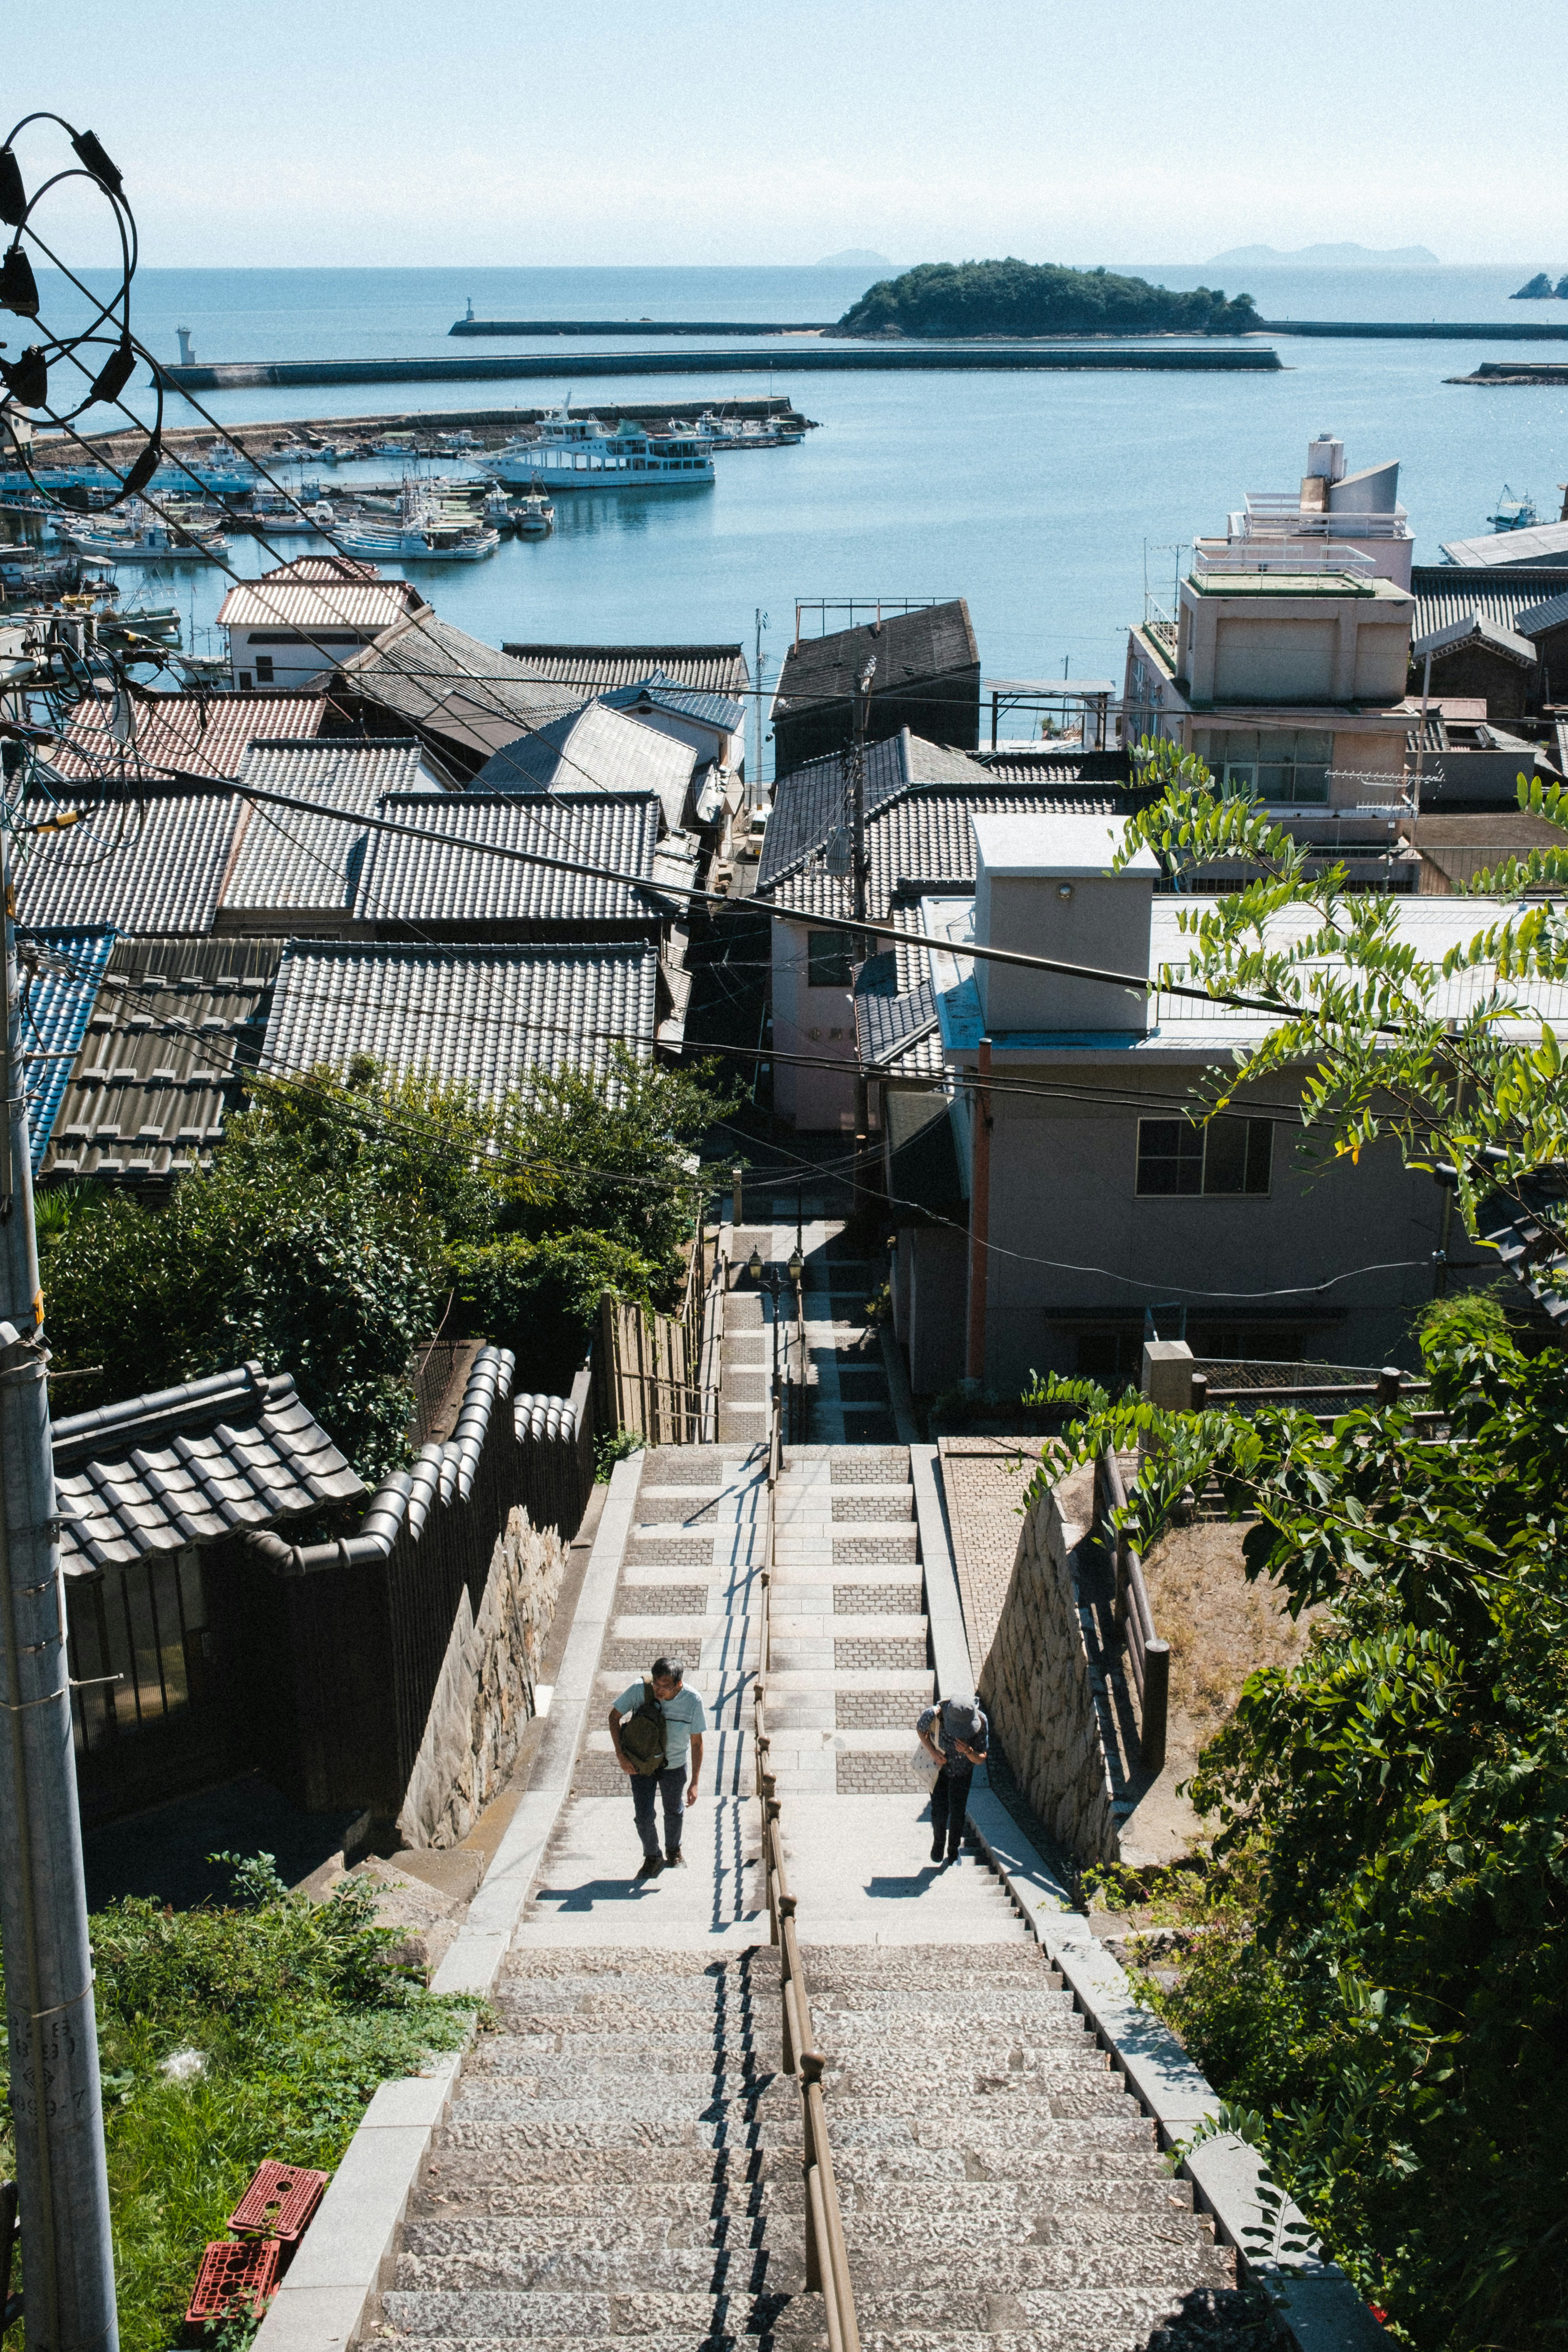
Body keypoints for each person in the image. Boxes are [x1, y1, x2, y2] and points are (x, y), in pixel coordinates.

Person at [608, 1654, 706, 1882]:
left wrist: (695, 1782)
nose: (659, 1691)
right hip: (641, 1764)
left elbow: (697, 1743)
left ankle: (674, 1851)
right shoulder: (639, 1691)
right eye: (656, 1684)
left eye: (666, 1686)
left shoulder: (693, 1700)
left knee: (674, 1810)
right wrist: (621, 1756)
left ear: (679, 1684)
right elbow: (614, 1718)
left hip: (674, 1766)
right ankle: (653, 1856)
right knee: (643, 1816)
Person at [916, 1692, 989, 1864]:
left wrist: (969, 1752)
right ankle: (939, 1843)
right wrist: (934, 1753)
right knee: (939, 1812)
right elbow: (921, 1729)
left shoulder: (982, 1722)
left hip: (963, 1772)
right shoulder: (935, 1714)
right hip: (940, 1770)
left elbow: (982, 1758)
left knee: (958, 1813)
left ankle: (953, 1848)